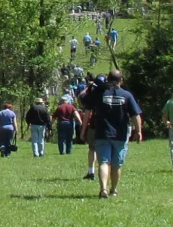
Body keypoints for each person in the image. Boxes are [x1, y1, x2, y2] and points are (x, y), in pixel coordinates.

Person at [88, 71, 143, 199]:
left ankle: (103, 189)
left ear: (108, 79)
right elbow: (135, 115)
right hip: (120, 134)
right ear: (121, 80)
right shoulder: (127, 95)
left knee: (103, 162)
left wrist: (95, 86)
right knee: (116, 164)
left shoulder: (99, 93)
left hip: (102, 133)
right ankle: (113, 189)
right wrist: (138, 131)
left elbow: (84, 100)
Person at [55, 91, 77, 156]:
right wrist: (80, 122)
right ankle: (69, 151)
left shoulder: (59, 107)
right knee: (69, 138)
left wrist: (50, 124)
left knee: (61, 138)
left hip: (61, 123)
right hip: (70, 123)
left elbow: (54, 116)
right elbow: (76, 114)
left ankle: (62, 151)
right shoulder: (71, 107)